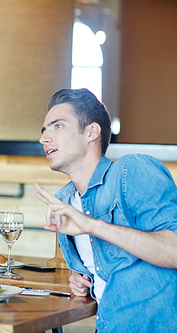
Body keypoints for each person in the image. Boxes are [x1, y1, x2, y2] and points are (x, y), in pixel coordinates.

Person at [34, 88, 177, 332]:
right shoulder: (65, 202)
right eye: (44, 130)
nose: (44, 138)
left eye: (57, 126)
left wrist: (92, 225)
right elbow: (105, 270)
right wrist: (82, 280)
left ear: (91, 132)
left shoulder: (131, 170)